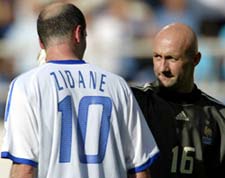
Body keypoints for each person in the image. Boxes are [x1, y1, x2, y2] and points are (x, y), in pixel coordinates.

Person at [1, 2, 159, 178]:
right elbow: (140, 170)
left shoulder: (26, 85)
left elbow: (24, 170)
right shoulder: (118, 85)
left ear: (40, 42)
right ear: (78, 33)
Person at [131, 23, 225, 178]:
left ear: (196, 59)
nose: (162, 68)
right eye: (157, 57)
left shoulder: (219, 117)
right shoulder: (135, 103)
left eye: (171, 58)